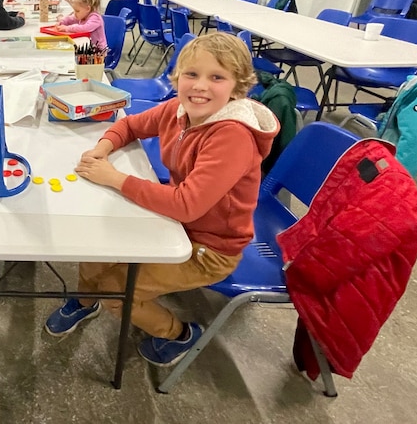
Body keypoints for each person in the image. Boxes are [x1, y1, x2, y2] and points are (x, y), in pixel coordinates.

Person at [43, 33, 280, 367]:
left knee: (117, 291)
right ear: (177, 76)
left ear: (237, 86)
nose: (200, 86)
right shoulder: (179, 110)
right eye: (191, 74)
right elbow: (129, 125)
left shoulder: (232, 136)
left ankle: (179, 333)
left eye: (217, 77)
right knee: (94, 244)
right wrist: (102, 148)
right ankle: (85, 300)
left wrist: (115, 178)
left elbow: (187, 204)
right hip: (176, 222)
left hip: (210, 248)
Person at [39, 0, 108, 51]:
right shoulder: (84, 12)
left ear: (88, 7)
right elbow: (72, 18)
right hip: (88, 47)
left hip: (98, 52)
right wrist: (62, 22)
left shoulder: (95, 18)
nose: (75, 13)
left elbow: (84, 28)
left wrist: (67, 28)